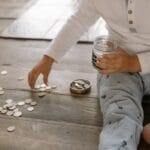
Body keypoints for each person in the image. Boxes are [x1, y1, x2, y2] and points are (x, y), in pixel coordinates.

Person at [28, 0, 150, 149]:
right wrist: (49, 57)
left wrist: (134, 62)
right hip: (118, 67)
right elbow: (78, 21)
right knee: (119, 110)